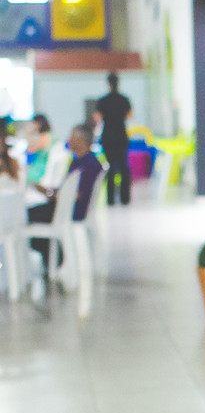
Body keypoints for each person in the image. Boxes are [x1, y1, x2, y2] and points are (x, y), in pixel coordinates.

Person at [26, 125, 103, 277]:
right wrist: (50, 192)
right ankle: (51, 257)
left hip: (70, 209)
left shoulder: (87, 165)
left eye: (72, 136)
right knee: (32, 213)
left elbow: (76, 195)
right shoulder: (82, 161)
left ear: (81, 140)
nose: (69, 140)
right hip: (65, 206)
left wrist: (51, 194)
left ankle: (52, 256)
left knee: (28, 216)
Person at [95, 71, 132, 206]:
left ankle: (110, 199)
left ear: (108, 84)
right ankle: (125, 198)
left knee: (109, 167)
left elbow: (98, 119)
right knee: (123, 166)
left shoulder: (102, 101)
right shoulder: (124, 99)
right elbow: (129, 116)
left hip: (108, 136)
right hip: (121, 135)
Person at [25, 114, 53, 187]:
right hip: (46, 169)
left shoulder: (43, 138)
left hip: (39, 172)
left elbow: (29, 150)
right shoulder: (49, 135)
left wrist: (29, 133)